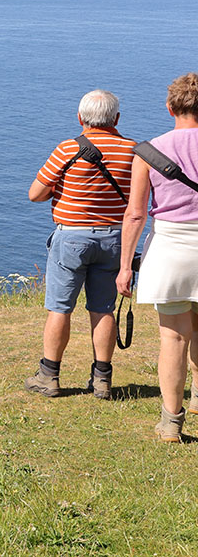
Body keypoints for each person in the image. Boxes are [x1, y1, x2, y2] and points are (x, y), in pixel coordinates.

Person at [26, 89, 135, 399]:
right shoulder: (133, 151)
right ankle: (102, 379)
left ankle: (49, 375)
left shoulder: (67, 150)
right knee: (103, 308)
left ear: (80, 118)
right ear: (116, 118)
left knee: (60, 308)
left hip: (71, 237)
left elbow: (35, 193)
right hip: (115, 238)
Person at [117, 72, 198, 442]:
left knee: (174, 337)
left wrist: (124, 266)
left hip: (170, 248)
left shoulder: (148, 152)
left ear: (169, 108)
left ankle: (171, 421)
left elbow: (135, 214)